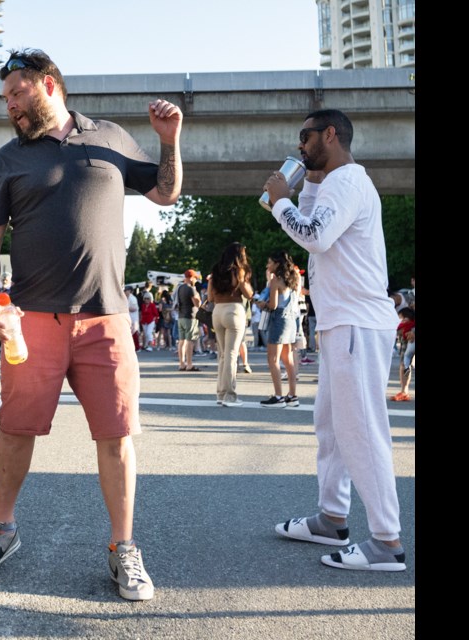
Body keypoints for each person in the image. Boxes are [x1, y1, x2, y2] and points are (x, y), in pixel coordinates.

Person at [0, 49, 183, 601]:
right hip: (32, 321)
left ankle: (124, 549)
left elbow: (164, 193)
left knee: (116, 438)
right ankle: (2, 529)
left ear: (48, 85)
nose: (11, 106)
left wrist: (168, 140)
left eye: (17, 94)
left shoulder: (108, 138)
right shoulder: (9, 158)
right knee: (15, 430)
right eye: (6, 99)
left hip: (106, 318)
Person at [264, 108, 407, 571]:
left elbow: (315, 236)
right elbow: (311, 226)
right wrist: (301, 187)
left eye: (305, 137)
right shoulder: (331, 184)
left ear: (330, 134)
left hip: (355, 324)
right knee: (330, 427)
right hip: (343, 323)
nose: (300, 145)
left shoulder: (348, 181)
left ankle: (387, 542)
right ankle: (331, 516)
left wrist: (281, 200)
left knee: (361, 431)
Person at [208, 243, 254, 407]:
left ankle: (220, 393)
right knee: (231, 355)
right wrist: (244, 282)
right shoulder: (238, 271)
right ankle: (230, 395)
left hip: (217, 311)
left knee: (222, 355)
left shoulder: (215, 271)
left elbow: (210, 297)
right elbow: (249, 294)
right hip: (234, 311)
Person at [255, 251, 300, 407]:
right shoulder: (293, 279)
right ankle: (292, 395)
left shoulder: (275, 281)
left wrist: (262, 304)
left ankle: (278, 396)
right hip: (290, 320)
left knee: (273, 358)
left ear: (277, 264)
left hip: (279, 320)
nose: (268, 265)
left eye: (270, 262)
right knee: (288, 359)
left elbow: (273, 305)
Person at [176, 270, 202, 371]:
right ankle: (189, 364)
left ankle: (181, 363)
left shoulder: (180, 288)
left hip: (181, 316)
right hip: (190, 317)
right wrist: (199, 297)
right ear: (191, 278)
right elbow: (197, 304)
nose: (196, 280)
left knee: (181, 341)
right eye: (195, 278)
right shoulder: (191, 289)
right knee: (190, 341)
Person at [392, 307, 415, 401]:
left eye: (401, 318)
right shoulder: (406, 326)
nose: (400, 321)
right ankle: (404, 390)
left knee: (405, 366)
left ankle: (404, 391)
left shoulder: (408, 326)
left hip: (408, 347)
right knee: (405, 366)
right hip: (406, 347)